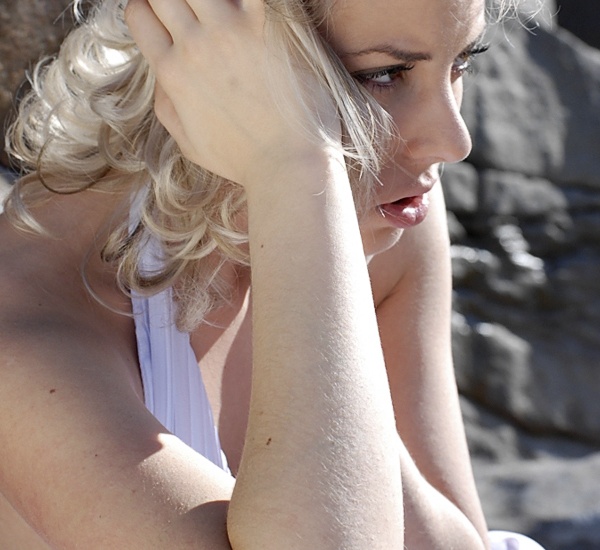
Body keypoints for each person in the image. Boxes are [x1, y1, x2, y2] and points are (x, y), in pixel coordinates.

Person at [0, 0, 546, 548]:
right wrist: (295, 164)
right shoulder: (30, 330)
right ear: (209, 45)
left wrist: (311, 241)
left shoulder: (388, 205)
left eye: (461, 62)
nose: (453, 142)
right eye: (383, 75)